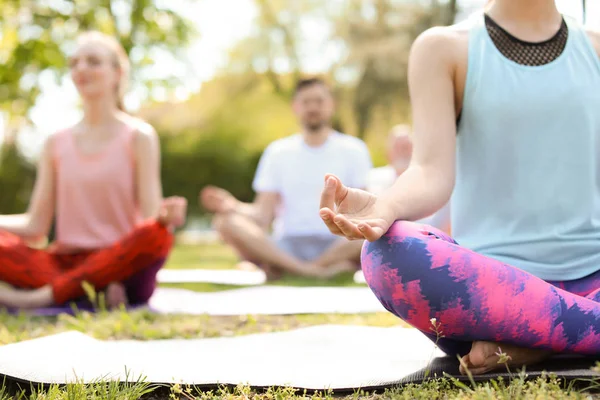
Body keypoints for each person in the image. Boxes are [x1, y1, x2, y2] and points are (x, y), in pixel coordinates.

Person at [319, 0, 600, 375]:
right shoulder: (445, 47)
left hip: (593, 274)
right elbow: (431, 170)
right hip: (490, 294)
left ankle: (539, 338)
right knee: (385, 254)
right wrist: (385, 207)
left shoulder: (595, 46)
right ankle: (569, 332)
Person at [0, 31, 187, 310]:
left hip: (120, 263)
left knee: (157, 234)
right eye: (74, 63)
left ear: (118, 73)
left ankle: (40, 298)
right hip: (63, 264)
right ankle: (89, 291)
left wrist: (165, 217)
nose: (81, 69)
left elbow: (150, 218)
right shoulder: (56, 142)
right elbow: (36, 226)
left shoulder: (139, 136)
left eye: (93, 61)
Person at [200, 78, 373, 279]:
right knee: (225, 222)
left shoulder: (354, 149)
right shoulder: (277, 152)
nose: (313, 108)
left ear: (331, 105)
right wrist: (233, 206)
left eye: (319, 101)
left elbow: (363, 211)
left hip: (338, 241)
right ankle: (316, 271)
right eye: (306, 102)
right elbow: (262, 215)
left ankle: (292, 269)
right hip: (287, 245)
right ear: (296, 107)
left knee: (375, 227)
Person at [367, 124, 450, 232]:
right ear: (388, 153)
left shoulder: (433, 183)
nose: (403, 152)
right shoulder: (374, 178)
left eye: (407, 147)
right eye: (398, 147)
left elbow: (440, 224)